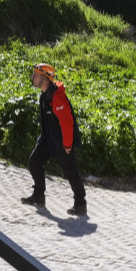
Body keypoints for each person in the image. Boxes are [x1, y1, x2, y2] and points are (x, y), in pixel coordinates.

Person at [21, 63, 87, 216]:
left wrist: (67, 144)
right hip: (49, 139)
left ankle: (80, 204)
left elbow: (67, 123)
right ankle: (38, 195)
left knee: (71, 172)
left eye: (35, 75)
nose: (32, 78)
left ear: (44, 78)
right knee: (35, 161)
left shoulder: (57, 97)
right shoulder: (44, 95)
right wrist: (42, 139)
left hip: (62, 141)